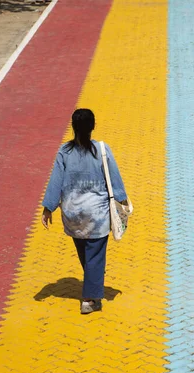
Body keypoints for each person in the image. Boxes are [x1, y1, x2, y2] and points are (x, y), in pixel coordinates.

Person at [41, 108, 127, 314]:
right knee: (95, 256)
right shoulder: (102, 150)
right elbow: (114, 178)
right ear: (93, 126)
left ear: (73, 127)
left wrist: (48, 207)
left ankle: (92, 281)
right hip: (96, 215)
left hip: (72, 214)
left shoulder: (64, 151)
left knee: (85, 254)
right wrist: (122, 201)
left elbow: (55, 180)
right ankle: (89, 299)